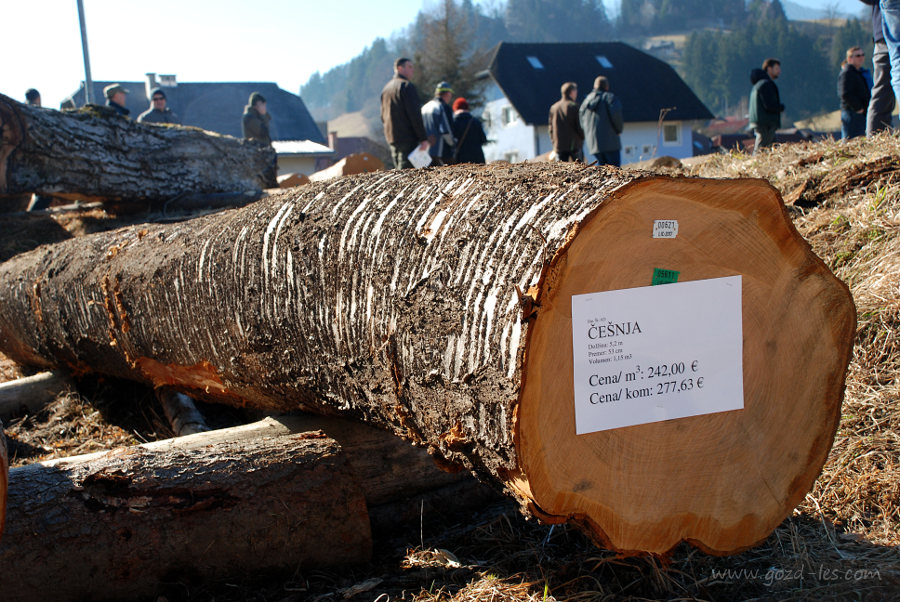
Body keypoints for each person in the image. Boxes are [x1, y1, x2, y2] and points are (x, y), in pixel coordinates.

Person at [380, 57, 429, 169]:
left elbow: (382, 116)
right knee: (408, 175)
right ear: (399, 68)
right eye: (410, 67)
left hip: (392, 138)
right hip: (407, 139)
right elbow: (415, 115)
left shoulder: (386, 89)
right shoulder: (406, 86)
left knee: (399, 174)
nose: (413, 70)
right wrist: (423, 138)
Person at [861, 1, 895, 134]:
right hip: (886, 35)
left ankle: (877, 135)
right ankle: (876, 135)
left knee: (883, 90)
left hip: (885, 34)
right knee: (883, 90)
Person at [579, 76, 624, 167]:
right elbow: (616, 116)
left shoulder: (586, 102)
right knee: (615, 170)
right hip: (611, 143)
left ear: (594, 86)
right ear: (607, 87)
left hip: (593, 145)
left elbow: (581, 121)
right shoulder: (610, 98)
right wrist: (619, 130)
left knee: (602, 171)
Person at [748, 58, 784, 153]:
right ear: (769, 69)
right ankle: (754, 165)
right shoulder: (766, 84)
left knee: (773, 148)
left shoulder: (758, 85)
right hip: (766, 123)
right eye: (776, 68)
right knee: (761, 149)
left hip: (761, 121)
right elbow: (768, 105)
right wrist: (779, 107)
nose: (779, 71)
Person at [838, 47, 872, 139]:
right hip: (852, 114)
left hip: (860, 114)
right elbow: (844, 93)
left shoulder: (859, 72)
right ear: (849, 59)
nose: (861, 57)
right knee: (851, 142)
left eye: (862, 55)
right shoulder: (847, 73)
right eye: (858, 55)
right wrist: (858, 108)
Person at [421, 81, 456, 164]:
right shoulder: (442, 107)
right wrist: (453, 143)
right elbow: (445, 130)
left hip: (425, 151)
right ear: (447, 94)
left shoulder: (424, 107)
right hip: (441, 153)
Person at [548, 82, 584, 162]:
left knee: (561, 171)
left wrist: (554, 141)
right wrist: (583, 136)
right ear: (571, 92)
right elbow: (579, 126)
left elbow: (551, 128)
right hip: (574, 145)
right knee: (580, 170)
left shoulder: (554, 107)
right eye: (575, 91)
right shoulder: (574, 106)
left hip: (559, 146)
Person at [450, 97, 487, 164]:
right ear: (467, 108)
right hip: (478, 158)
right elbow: (483, 139)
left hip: (461, 159)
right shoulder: (476, 121)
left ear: (455, 109)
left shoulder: (453, 123)